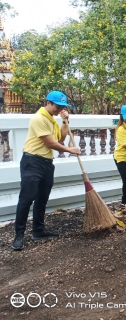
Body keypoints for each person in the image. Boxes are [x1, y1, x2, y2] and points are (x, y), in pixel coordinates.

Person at [12, 91, 81, 251]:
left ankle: (38, 230)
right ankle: (19, 235)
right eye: (58, 106)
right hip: (32, 162)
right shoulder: (39, 118)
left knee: (42, 198)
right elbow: (50, 143)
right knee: (27, 198)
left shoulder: (52, 120)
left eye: (62, 107)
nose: (59, 109)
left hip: (47, 163)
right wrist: (71, 150)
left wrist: (65, 121)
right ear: (48, 103)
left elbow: (60, 139)